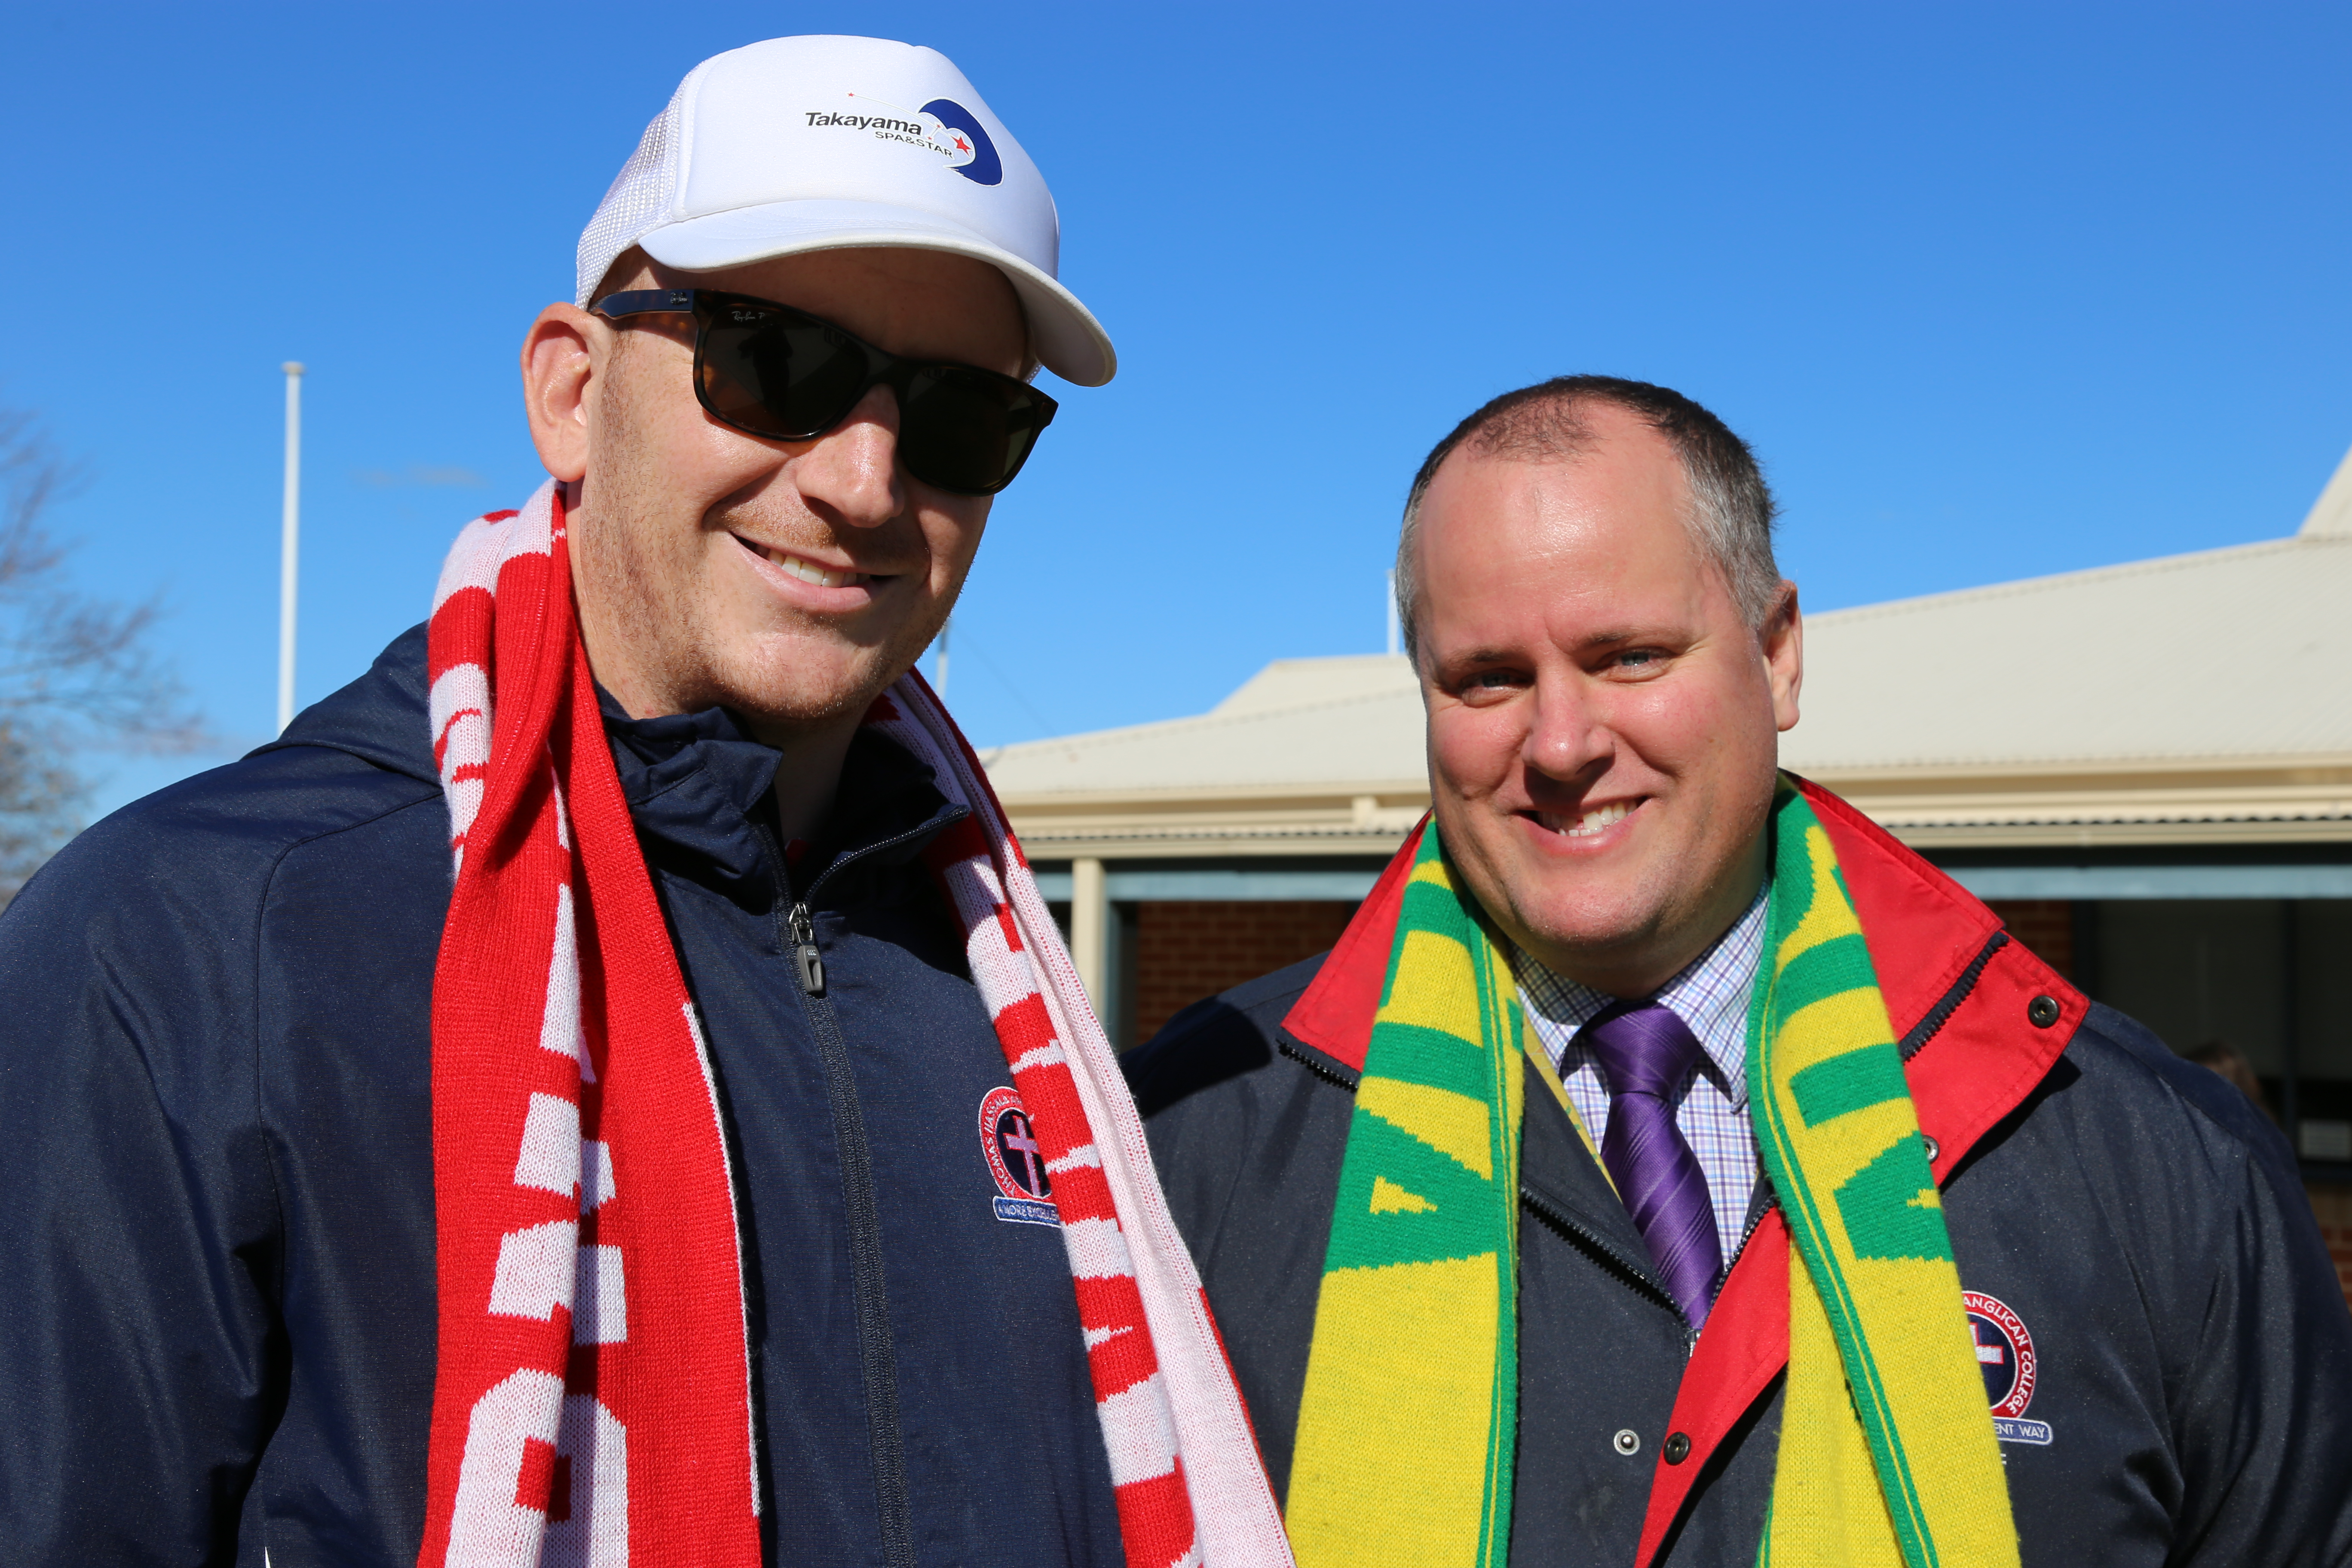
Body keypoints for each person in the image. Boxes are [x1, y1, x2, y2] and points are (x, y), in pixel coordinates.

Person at [0, 36, 1287, 1568]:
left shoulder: (1008, 993)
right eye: (775, 360)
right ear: (570, 391)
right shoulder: (191, 942)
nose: (866, 482)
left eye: (960, 418)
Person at [1126, 375, 2352, 1566]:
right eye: (1488, 678)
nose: (1561, 743)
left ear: (1777, 658)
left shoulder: (2152, 1161)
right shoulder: (1186, 1148)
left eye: (1629, 657)